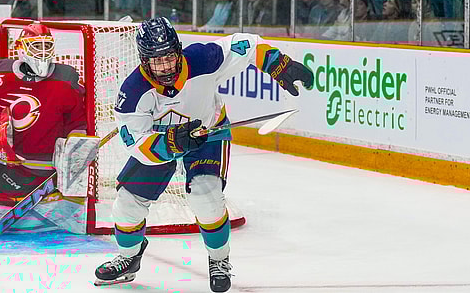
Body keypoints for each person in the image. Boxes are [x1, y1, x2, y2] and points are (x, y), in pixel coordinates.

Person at [94, 17, 314, 292]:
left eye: (169, 57)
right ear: (143, 60)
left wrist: (277, 64)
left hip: (208, 134)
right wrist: (170, 143)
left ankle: (219, 260)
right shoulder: (132, 92)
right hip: (160, 143)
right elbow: (135, 143)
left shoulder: (203, 59)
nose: (165, 66)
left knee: (206, 197)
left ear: (179, 51)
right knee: (127, 204)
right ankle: (129, 257)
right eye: (157, 61)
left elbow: (246, 45)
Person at [0, 22, 87, 196]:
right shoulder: (0, 74)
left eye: (47, 46)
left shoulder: (66, 78)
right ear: (21, 48)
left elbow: (77, 121)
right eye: (36, 46)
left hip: (50, 171)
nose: (42, 52)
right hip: (7, 168)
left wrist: (74, 151)